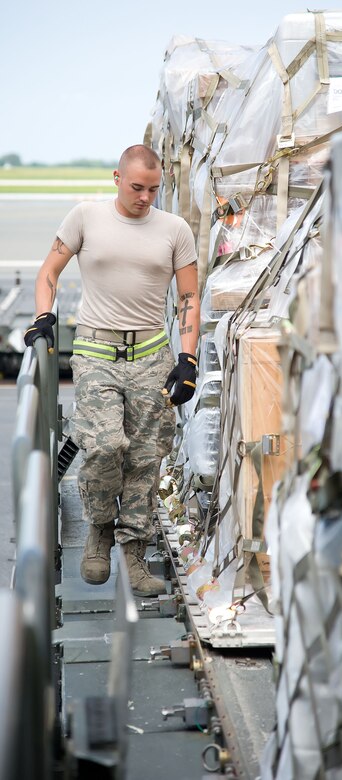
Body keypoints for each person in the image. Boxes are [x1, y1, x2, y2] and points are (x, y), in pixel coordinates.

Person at [24, 144, 200, 597]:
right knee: (103, 445)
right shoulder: (86, 217)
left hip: (152, 355)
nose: (145, 197)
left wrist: (188, 358)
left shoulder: (175, 229)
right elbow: (49, 271)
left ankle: (134, 552)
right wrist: (42, 317)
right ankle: (100, 528)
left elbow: (188, 298)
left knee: (145, 458)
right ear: (117, 178)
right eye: (137, 187)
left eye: (154, 190)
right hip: (96, 353)